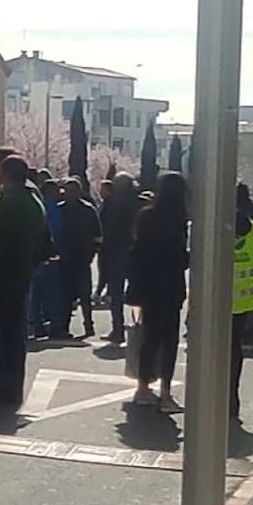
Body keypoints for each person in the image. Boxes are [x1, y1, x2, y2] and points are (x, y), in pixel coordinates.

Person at [0, 155, 49, 405]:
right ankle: (10, 387)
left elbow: (1, 242)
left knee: (4, 332)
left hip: (7, 274)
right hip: (23, 270)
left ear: (6, 174)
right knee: (15, 332)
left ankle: (2, 387)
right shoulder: (32, 197)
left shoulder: (12, 202)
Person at [126, 172, 188, 410]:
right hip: (171, 286)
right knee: (169, 339)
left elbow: (137, 251)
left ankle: (142, 387)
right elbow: (180, 258)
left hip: (149, 286)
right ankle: (166, 393)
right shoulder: (177, 220)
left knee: (149, 338)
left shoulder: (146, 216)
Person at [100, 172, 145, 344]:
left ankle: (118, 329)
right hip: (137, 252)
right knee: (141, 292)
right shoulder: (138, 202)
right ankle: (141, 327)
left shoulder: (112, 203)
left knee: (116, 293)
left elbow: (107, 229)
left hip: (117, 251)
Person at [58, 177, 102, 338]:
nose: (68, 194)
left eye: (71, 191)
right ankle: (63, 326)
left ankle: (89, 325)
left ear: (78, 191)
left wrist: (91, 253)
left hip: (82, 257)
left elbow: (98, 235)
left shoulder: (88, 210)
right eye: (66, 191)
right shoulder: (60, 209)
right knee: (65, 295)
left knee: (85, 295)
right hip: (65, 257)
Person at [231, 185, 253, 419]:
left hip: (215, 299)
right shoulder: (250, 227)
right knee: (234, 351)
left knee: (211, 354)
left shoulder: (216, 225)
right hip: (242, 301)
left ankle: (215, 397)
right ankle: (232, 397)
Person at [29, 179, 65, 339]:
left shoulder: (37, 208)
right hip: (51, 254)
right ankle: (55, 327)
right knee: (51, 293)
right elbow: (57, 231)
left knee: (35, 295)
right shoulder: (54, 209)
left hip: (34, 255)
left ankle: (37, 325)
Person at [93, 178, 113, 305]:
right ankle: (104, 292)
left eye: (103, 190)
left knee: (105, 268)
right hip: (105, 242)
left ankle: (101, 292)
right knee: (104, 268)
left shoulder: (109, 205)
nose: (101, 192)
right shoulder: (105, 204)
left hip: (107, 242)